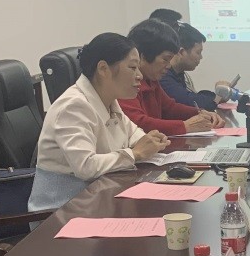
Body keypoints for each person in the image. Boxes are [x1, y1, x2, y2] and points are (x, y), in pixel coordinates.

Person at [29, 32, 170, 210]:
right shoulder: (73, 106)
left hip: (99, 199)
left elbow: (133, 133)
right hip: (63, 211)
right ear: (103, 69)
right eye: (133, 67)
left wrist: (149, 141)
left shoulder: (109, 100)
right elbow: (86, 167)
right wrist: (135, 154)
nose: (139, 75)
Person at [118, 19, 216, 137]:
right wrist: (185, 126)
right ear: (142, 57)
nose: (169, 66)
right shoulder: (126, 83)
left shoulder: (152, 80)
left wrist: (200, 113)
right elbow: (138, 123)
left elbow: (170, 108)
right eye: (165, 59)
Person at [150, 9, 233, 113]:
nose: (201, 57)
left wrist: (217, 97)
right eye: (198, 52)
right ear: (181, 52)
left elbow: (193, 98)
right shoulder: (163, 77)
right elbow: (192, 103)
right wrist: (218, 96)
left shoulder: (179, 74)